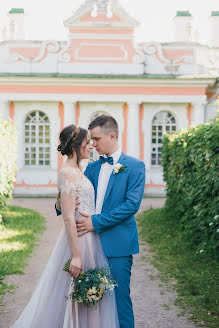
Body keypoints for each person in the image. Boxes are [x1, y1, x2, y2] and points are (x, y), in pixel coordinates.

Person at [12, 124, 119, 328]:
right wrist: (76, 255)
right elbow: (68, 218)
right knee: (77, 293)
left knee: (91, 293)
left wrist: (60, 201)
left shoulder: (80, 169)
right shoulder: (67, 172)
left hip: (91, 239)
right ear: (77, 146)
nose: (91, 146)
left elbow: (69, 203)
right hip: (78, 240)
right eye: (88, 143)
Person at [56, 115, 146, 328]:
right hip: (88, 245)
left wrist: (95, 222)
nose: (93, 144)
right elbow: (75, 196)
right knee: (91, 302)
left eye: (96, 139)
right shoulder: (90, 167)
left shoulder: (135, 166)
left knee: (120, 300)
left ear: (112, 136)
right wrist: (61, 202)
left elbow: (131, 205)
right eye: (90, 140)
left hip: (118, 244)